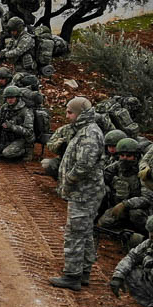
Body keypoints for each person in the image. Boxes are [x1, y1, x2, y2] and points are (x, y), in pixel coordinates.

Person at [50, 97, 106, 290]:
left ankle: (72, 275)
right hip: (84, 191)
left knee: (75, 232)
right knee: (85, 231)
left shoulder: (89, 133)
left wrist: (69, 179)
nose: (67, 116)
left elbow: (84, 165)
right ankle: (83, 272)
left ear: (80, 114)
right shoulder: (84, 130)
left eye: (70, 112)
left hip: (84, 192)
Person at [98, 137, 153, 250]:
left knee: (136, 215)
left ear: (136, 156)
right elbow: (101, 177)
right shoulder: (116, 166)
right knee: (104, 222)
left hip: (140, 209)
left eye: (129, 156)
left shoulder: (142, 171)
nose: (125, 159)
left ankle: (146, 238)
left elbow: (147, 198)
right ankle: (125, 227)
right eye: (122, 156)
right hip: (119, 206)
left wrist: (125, 204)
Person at [0, 85, 34, 161]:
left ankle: (27, 150)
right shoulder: (4, 108)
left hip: (21, 139)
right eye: (8, 98)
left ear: (17, 98)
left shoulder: (25, 111)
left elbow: (29, 131)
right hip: (7, 137)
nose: (9, 100)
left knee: (7, 153)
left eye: (12, 98)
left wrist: (12, 127)